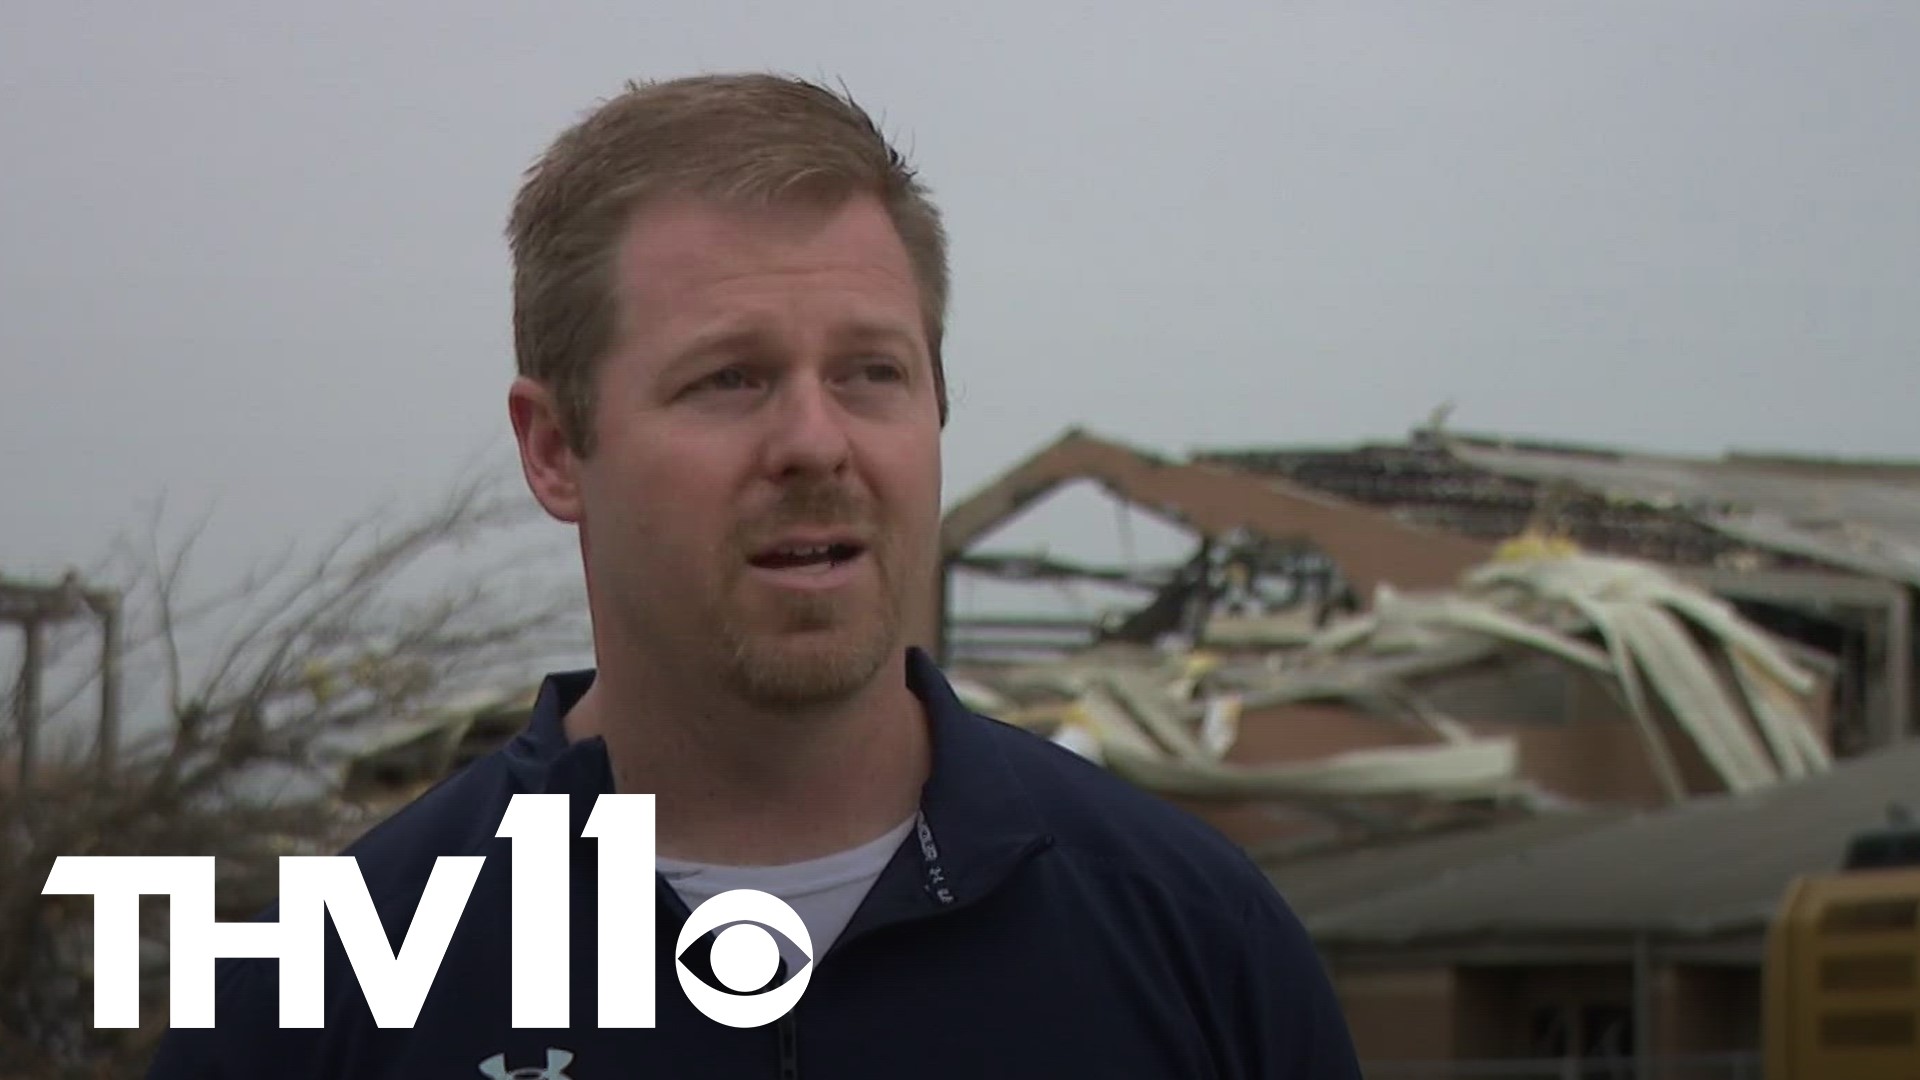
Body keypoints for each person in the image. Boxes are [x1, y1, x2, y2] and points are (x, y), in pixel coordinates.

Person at [145, 73, 1363, 1079]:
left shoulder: (1200, 944)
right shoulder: (318, 1005)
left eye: (871, 374)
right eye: (729, 378)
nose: (815, 443)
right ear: (557, 448)